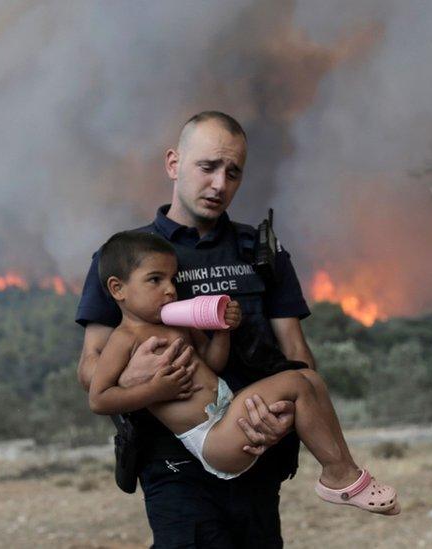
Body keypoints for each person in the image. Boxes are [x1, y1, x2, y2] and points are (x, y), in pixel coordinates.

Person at [76, 111, 314, 547]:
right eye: (208, 167)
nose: (220, 184)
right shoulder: (126, 258)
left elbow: (296, 350)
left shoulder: (261, 252)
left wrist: (287, 418)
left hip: (255, 446)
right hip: (172, 458)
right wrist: (134, 378)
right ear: (173, 163)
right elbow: (90, 364)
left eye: (233, 172)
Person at [87, 231, 399, 515]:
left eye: (172, 279)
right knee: (295, 382)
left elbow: (213, 364)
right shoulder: (123, 340)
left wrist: (222, 331)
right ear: (118, 289)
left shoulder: (178, 323)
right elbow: (99, 399)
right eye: (155, 280)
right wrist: (155, 392)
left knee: (309, 379)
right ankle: (338, 475)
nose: (170, 290)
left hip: (227, 413)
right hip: (211, 438)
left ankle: (342, 467)